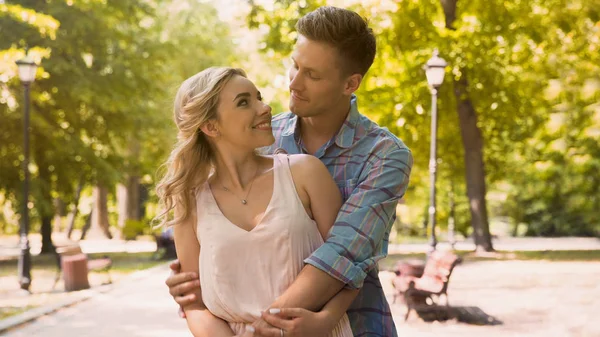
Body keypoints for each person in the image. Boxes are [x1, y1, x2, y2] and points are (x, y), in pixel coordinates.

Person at [165, 6, 413, 337]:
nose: (294, 83)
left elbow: (343, 254)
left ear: (350, 83)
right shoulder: (260, 137)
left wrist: (296, 324)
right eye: (295, 66)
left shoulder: (384, 156)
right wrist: (195, 288)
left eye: (312, 74)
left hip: (352, 324)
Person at [157, 67, 355, 336]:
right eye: (244, 102)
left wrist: (325, 320)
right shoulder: (191, 202)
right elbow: (196, 305)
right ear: (210, 126)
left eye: (258, 97)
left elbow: (350, 265)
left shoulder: (305, 173)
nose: (265, 107)